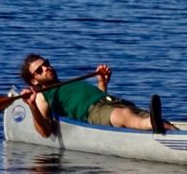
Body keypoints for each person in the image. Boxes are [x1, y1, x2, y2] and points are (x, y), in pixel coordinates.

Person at [19, 54, 175, 137]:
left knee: (159, 121)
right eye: (39, 70)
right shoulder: (42, 95)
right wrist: (32, 105)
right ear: (34, 80)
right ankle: (152, 124)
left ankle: (181, 135)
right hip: (93, 112)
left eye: (46, 63)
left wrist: (102, 83)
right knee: (125, 115)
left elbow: (100, 100)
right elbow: (45, 132)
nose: (46, 68)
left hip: (111, 102)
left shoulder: (67, 83)